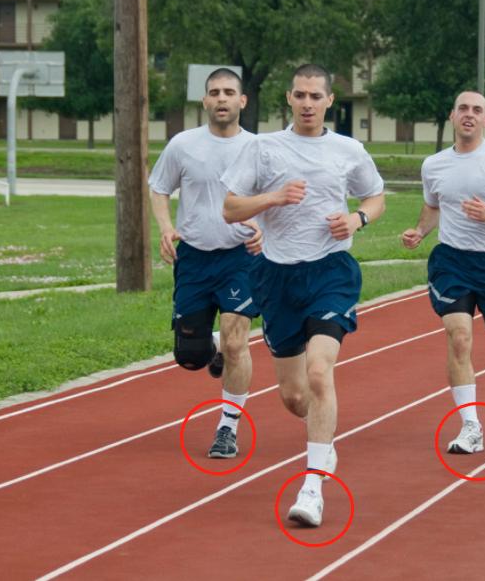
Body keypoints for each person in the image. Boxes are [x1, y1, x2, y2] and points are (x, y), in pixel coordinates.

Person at [222, 64, 386, 528]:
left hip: (331, 272)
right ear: (289, 99)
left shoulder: (348, 150)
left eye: (316, 95)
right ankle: (323, 443)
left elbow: (376, 197)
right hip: (276, 278)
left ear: (330, 101)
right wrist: (272, 199)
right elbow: (231, 206)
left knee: (320, 371)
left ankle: (312, 486)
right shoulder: (263, 148)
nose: (308, 103)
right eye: (300, 95)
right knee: (295, 397)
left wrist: (357, 220)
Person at [400, 91, 485, 455]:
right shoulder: (434, 165)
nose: (469, 115)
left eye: (477, 110)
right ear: (452, 115)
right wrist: (419, 231)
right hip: (453, 262)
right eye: (463, 108)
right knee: (458, 336)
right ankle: (471, 425)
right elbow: (434, 205)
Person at [148, 68, 262, 460]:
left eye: (229, 92)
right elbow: (159, 187)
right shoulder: (183, 145)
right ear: (205, 101)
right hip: (194, 257)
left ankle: (227, 428)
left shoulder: (259, 149)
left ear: (242, 101)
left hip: (240, 257)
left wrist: (266, 231)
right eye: (214, 92)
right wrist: (166, 228)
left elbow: (276, 200)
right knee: (189, 356)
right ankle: (208, 347)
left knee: (237, 340)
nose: (222, 98)